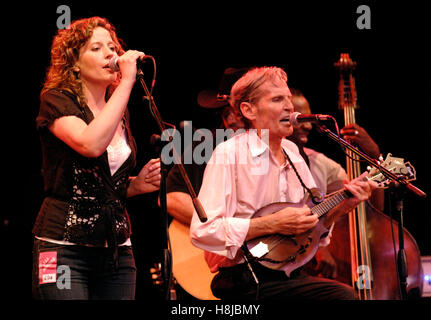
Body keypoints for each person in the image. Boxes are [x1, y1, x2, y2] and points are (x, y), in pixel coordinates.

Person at [190, 66, 377, 300]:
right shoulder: (229, 154)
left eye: (288, 99)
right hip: (245, 277)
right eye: (278, 99)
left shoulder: (293, 154)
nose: (290, 107)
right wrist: (271, 224)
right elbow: (203, 231)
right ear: (249, 110)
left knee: (345, 294)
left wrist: (341, 208)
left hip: (288, 272)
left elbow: (311, 227)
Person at [32, 17, 161, 300]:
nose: (110, 54)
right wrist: (127, 80)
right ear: (74, 63)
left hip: (117, 252)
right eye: (96, 48)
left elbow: (100, 181)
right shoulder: (57, 100)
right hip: (62, 248)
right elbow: (89, 144)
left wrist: (135, 185)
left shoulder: (118, 110)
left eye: (113, 48)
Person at [288, 89, 384, 278]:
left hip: (308, 258)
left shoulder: (320, 163)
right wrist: (322, 251)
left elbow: (371, 210)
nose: (308, 126)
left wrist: (374, 157)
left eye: (309, 119)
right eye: (301, 119)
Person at [166, 67, 247, 226]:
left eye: (236, 112)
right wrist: (220, 229)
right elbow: (171, 196)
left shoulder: (285, 149)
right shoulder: (208, 143)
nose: (230, 119)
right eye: (225, 112)